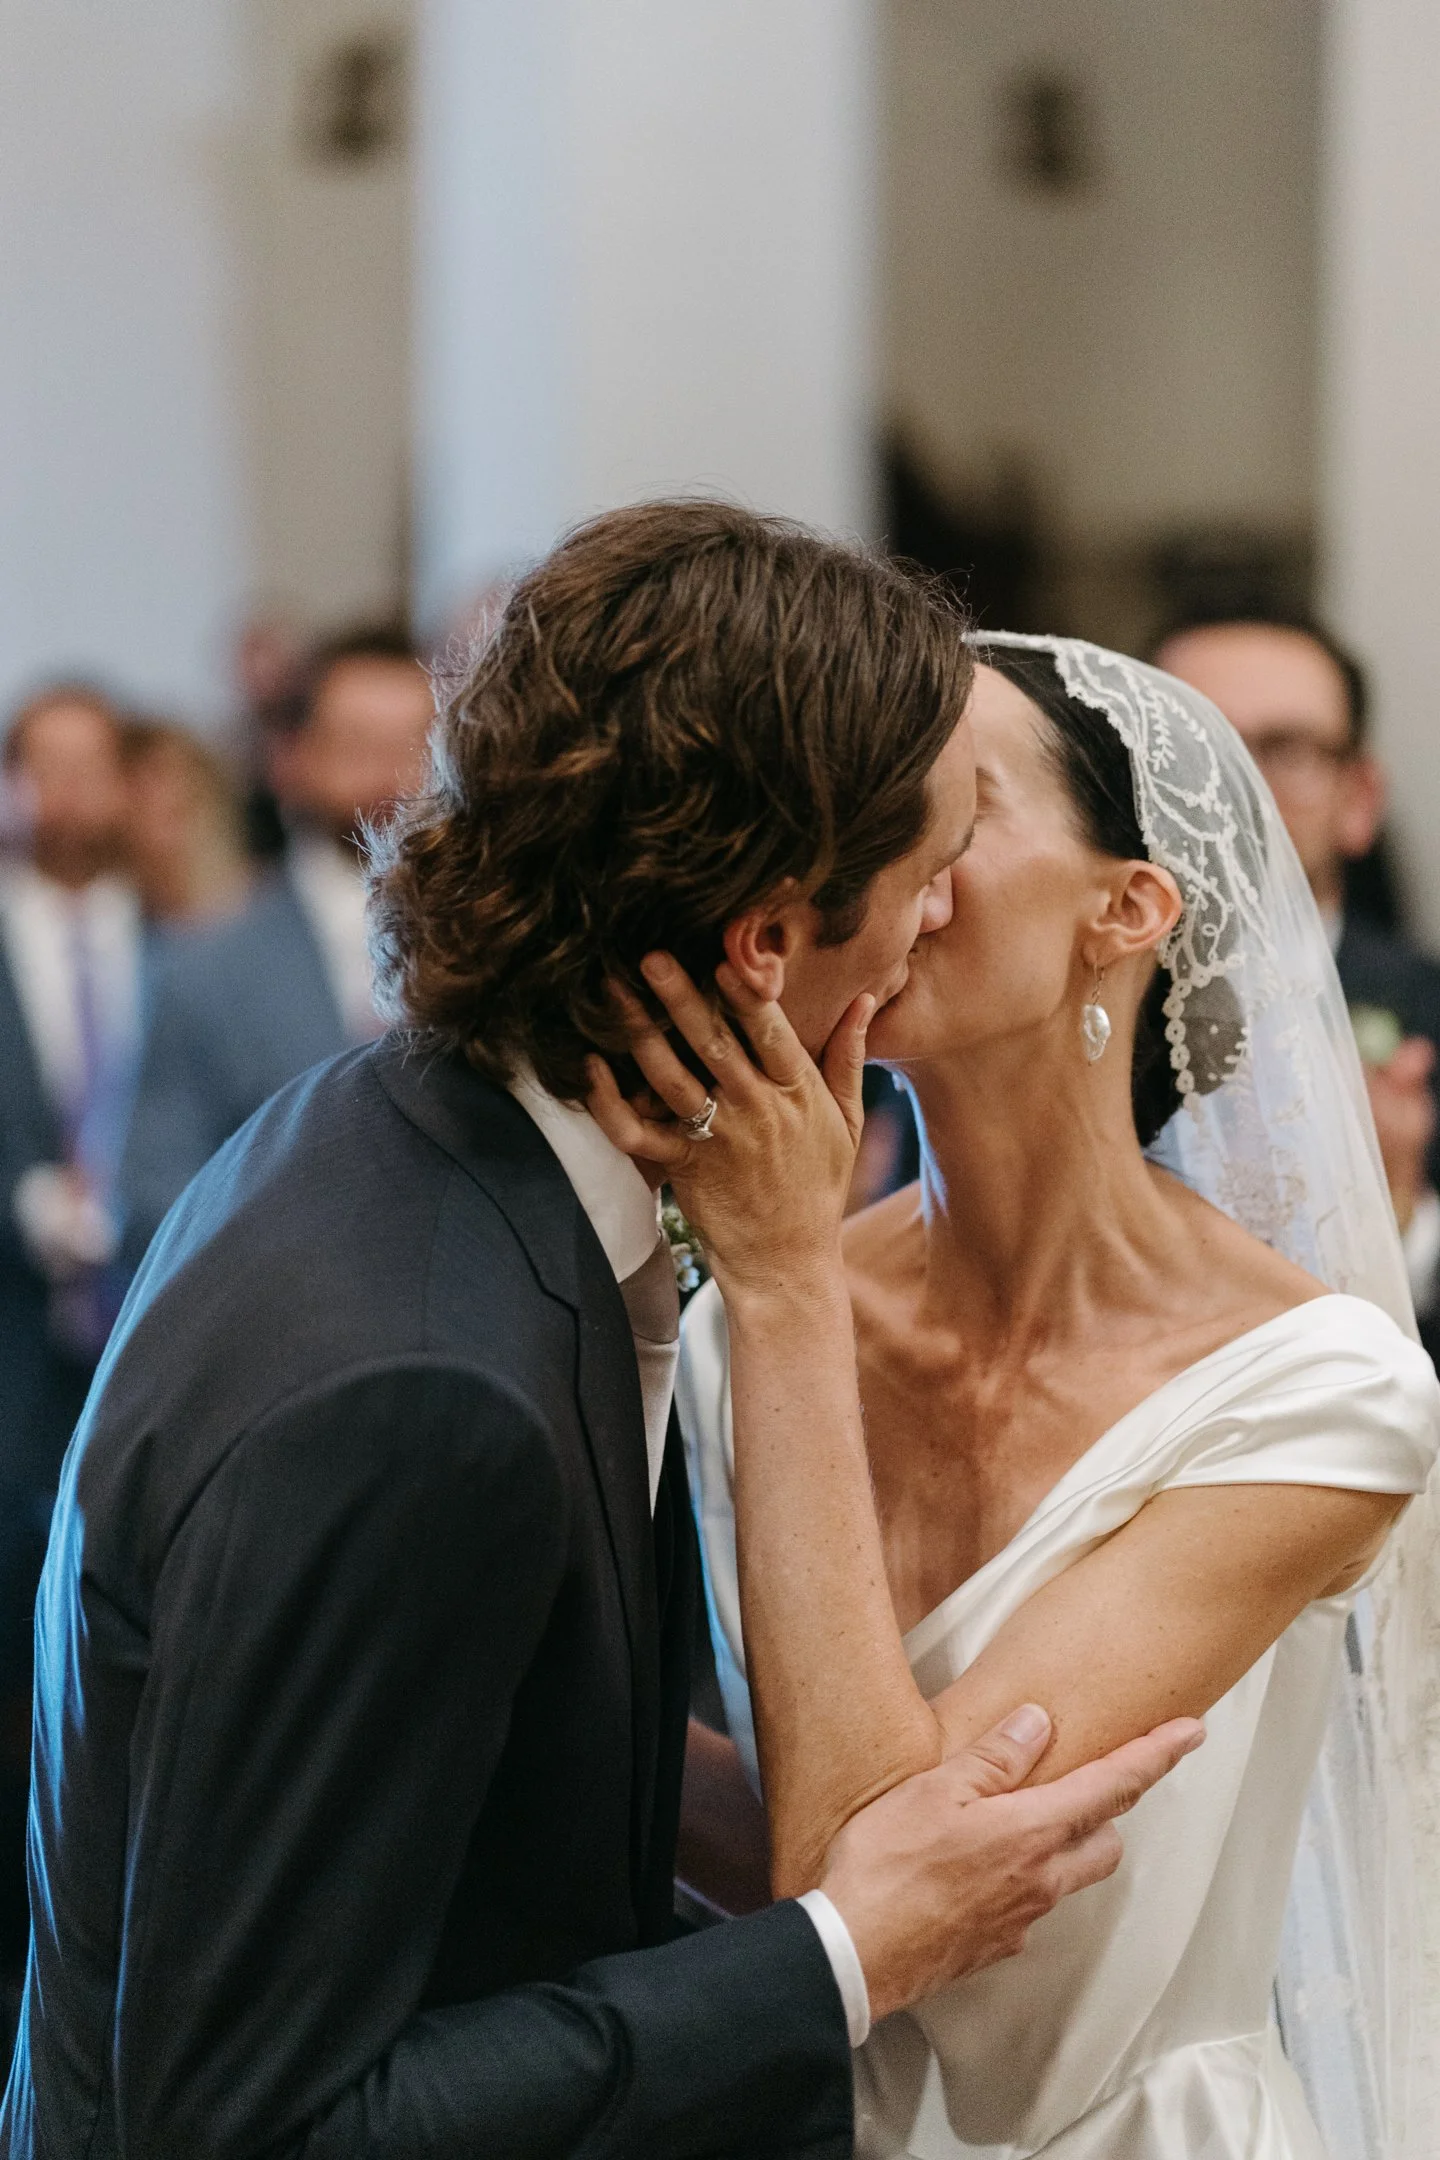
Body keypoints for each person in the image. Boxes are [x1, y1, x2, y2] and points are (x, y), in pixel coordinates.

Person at [0, 509, 1200, 2159]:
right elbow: (249, 2127)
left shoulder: (400, 1136)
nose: (940, 924)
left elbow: (500, 1806)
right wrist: (847, 1951)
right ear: (769, 940)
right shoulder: (423, 1390)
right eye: (926, 884)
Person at [599, 635, 1440, 2157]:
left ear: (1128, 906)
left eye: (955, 816)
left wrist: (785, 1280)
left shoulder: (1326, 1393)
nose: (883, 869)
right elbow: (808, 1877)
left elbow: (890, 1893)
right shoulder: (744, 1331)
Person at [1154, 614, 1440, 1345]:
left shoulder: (1426, 1011)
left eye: (1285, 749)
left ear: (1360, 798)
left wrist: (1398, 1226)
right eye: (1196, 744)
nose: (1237, 785)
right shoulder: (1039, 1009)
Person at [118, 626, 432, 1259]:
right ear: (293, 758)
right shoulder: (204, 966)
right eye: (359, 745)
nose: (396, 776)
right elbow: (155, 1196)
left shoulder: (504, 947)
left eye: (419, 745)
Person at [0, 684, 142, 2002]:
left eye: (91, 767)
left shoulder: (180, 930)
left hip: (143, 1348)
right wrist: (29, 1194)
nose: (67, 797)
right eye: (43, 770)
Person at [118, 718, 253, 927]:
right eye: (137, 783)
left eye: (159, 775)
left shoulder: (267, 902)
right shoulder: (118, 929)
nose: (156, 796)